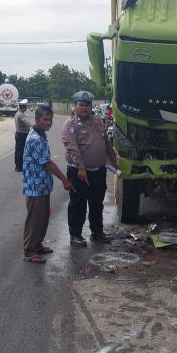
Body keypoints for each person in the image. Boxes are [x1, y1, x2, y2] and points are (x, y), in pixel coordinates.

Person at [60, 91, 117, 246]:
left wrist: (114, 162)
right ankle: (75, 235)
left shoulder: (97, 121)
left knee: (97, 203)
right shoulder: (70, 125)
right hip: (79, 172)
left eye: (87, 105)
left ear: (91, 106)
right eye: (81, 105)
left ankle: (97, 232)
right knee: (78, 203)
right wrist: (81, 168)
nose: (84, 108)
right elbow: (73, 148)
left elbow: (106, 143)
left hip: (98, 171)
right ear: (75, 106)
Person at [22, 104, 73, 263]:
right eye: (45, 119)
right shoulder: (36, 138)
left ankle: (37, 245)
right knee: (35, 219)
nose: (49, 123)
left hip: (42, 184)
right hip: (35, 186)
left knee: (43, 217)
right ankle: (29, 251)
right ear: (37, 119)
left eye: (50, 119)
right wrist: (64, 179)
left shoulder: (40, 133)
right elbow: (47, 163)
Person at [14, 99, 32, 172]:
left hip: (19, 133)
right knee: (21, 151)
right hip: (22, 134)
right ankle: (19, 166)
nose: (26, 108)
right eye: (26, 107)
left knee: (18, 150)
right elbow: (26, 121)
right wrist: (33, 126)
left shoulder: (17, 113)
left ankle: (18, 165)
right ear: (24, 107)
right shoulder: (21, 114)